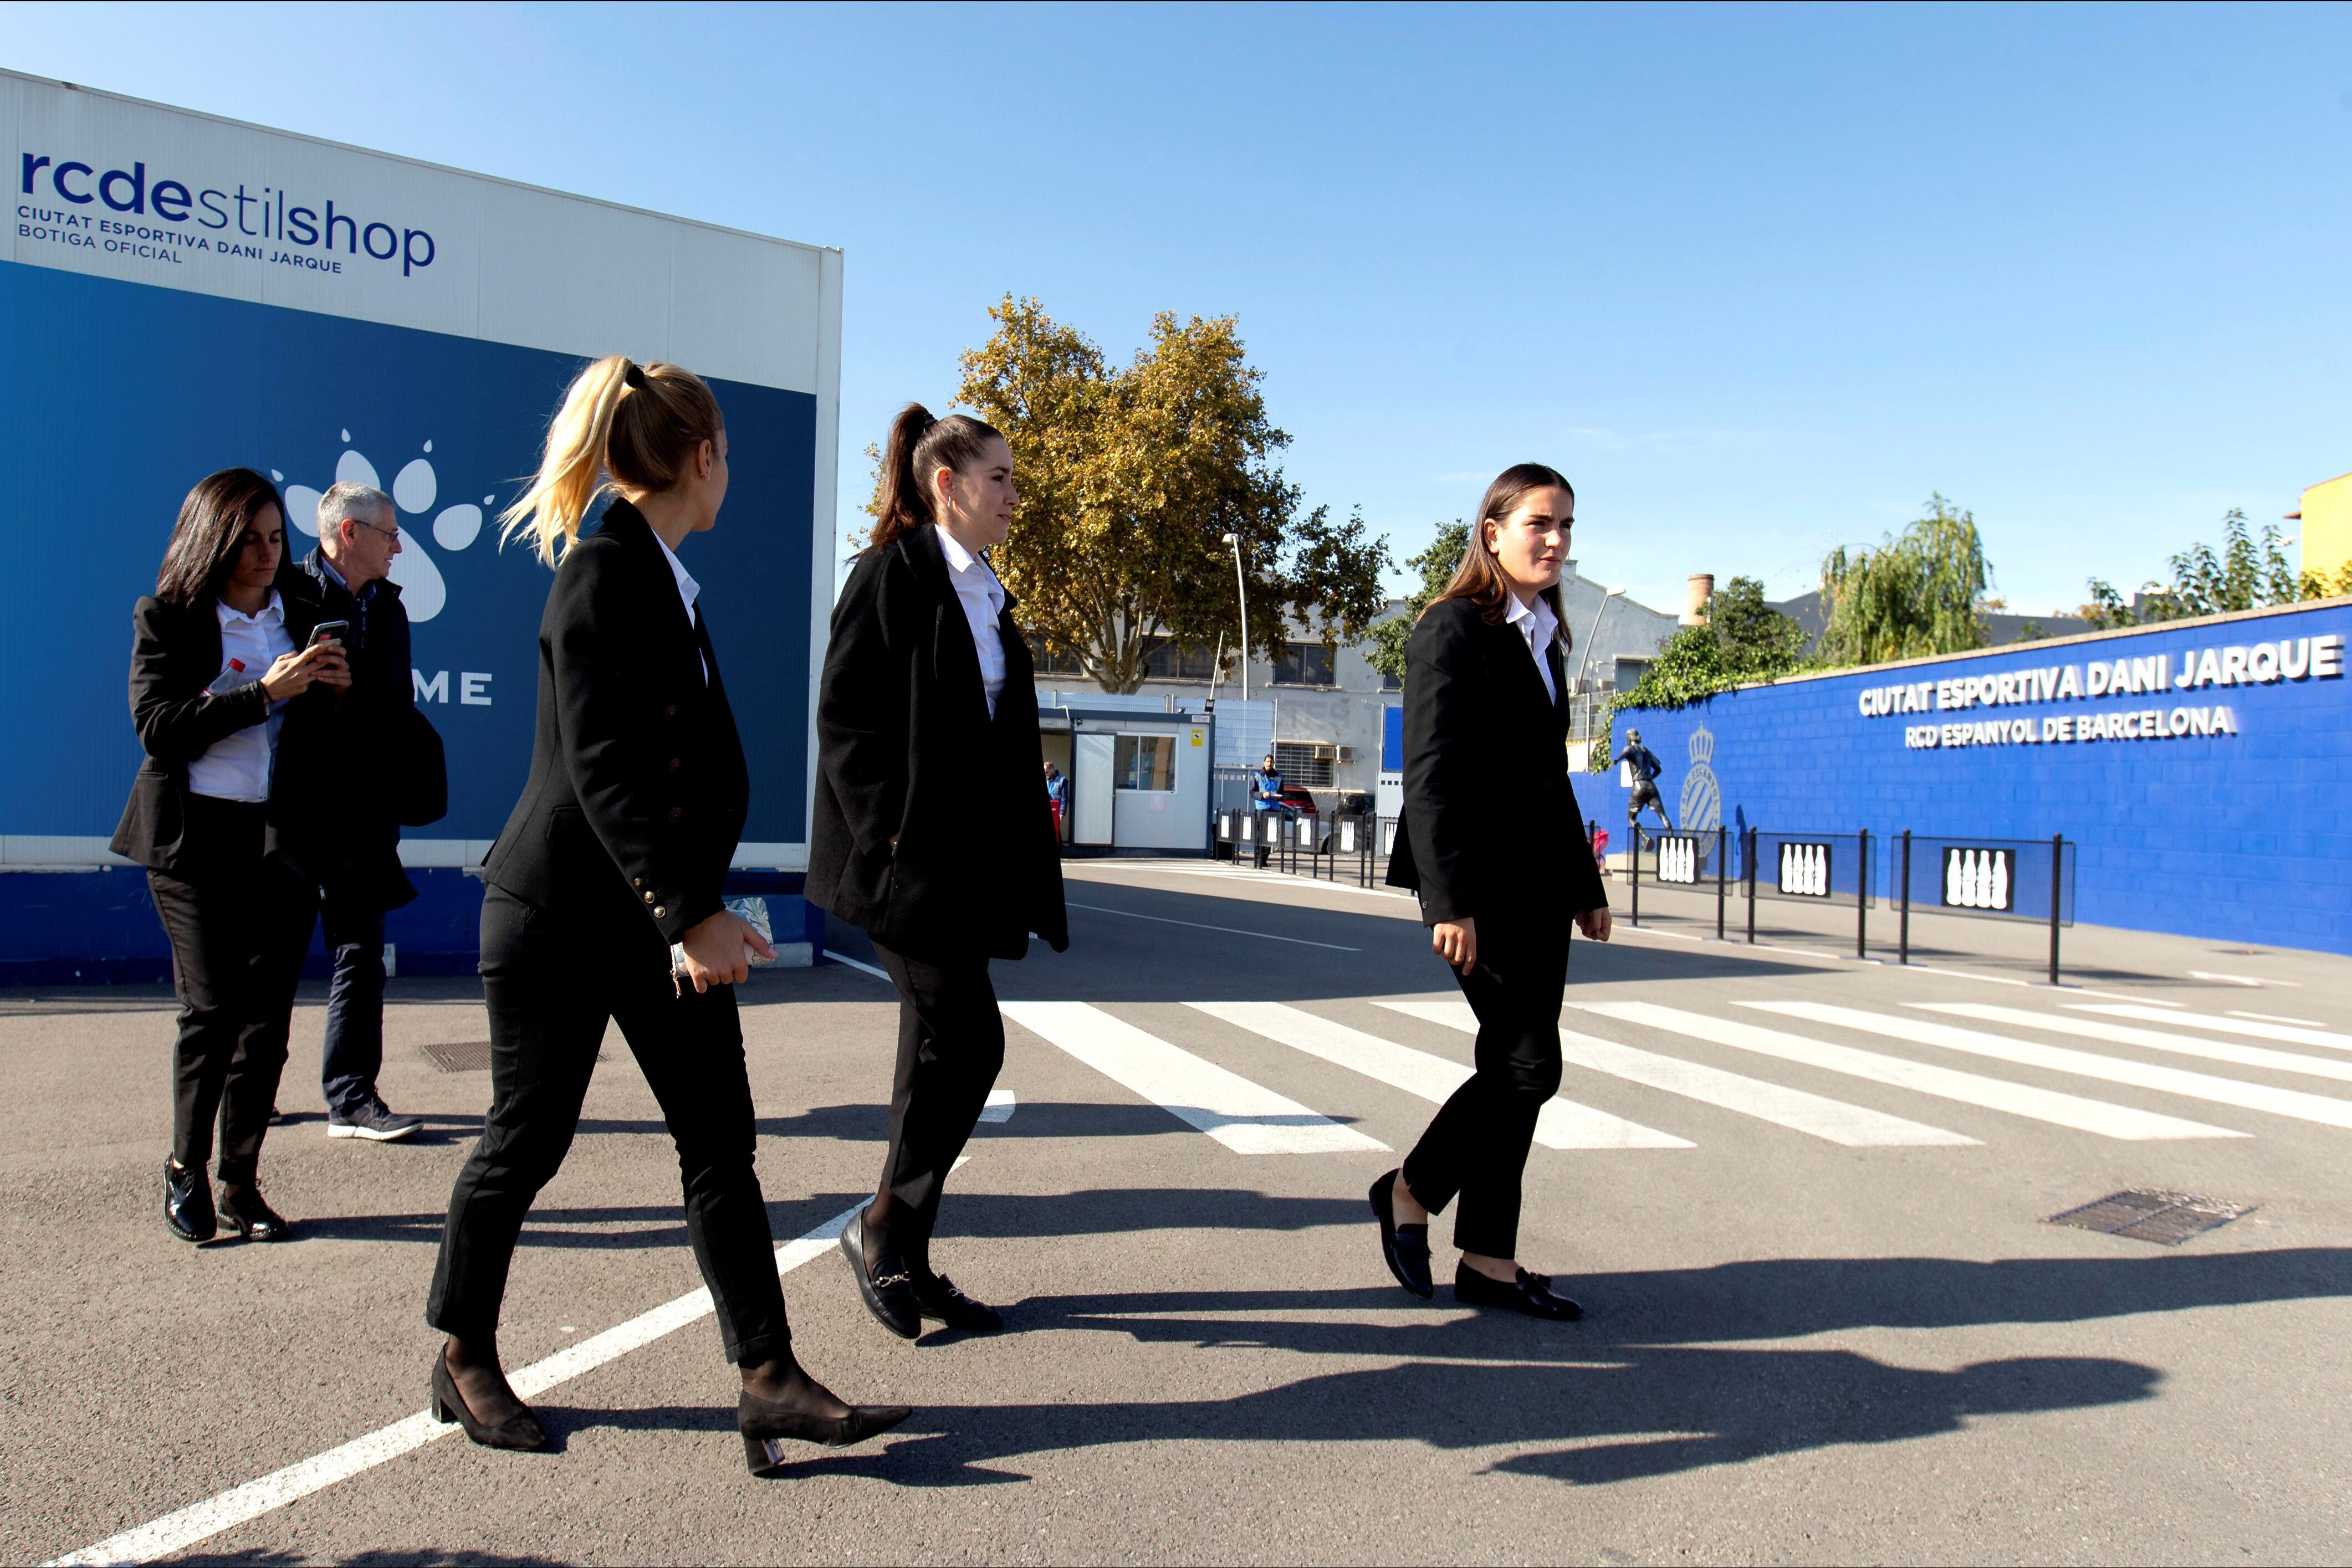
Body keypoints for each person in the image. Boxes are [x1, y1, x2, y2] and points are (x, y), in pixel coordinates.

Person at [426, 357, 906, 1470]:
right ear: (703, 457)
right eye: (727, 451)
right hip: (557, 915)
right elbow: (602, 770)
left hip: (648, 918)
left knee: (719, 1143)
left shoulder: (658, 575)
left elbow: (663, 776)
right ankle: (461, 1353)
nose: (728, 468)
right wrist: (690, 912)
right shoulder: (603, 572)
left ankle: (768, 1375)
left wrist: (691, 913)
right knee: (525, 1142)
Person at [809, 402, 1068, 1343]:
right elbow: (845, 721)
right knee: (969, 1040)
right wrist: (888, 838)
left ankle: (905, 1253)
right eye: (997, 478)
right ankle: (881, 1225)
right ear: (944, 485)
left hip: (967, 870)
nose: (1012, 495)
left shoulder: (984, 588)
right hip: (903, 871)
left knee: (936, 1049)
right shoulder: (890, 576)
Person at [1377, 462, 1613, 1320]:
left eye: (1566, 527)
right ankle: (1409, 1189)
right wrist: (1447, 901)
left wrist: (1585, 885)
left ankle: (1488, 1259)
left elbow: (1550, 778)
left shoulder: (1545, 632)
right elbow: (1430, 774)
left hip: (1540, 887)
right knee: (1527, 1062)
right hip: (1477, 887)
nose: (1556, 541)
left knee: (1513, 1072)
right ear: (1493, 532)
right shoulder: (1451, 629)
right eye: (1539, 524)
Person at [111, 468, 350, 1244]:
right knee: (211, 1010)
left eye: (276, 539)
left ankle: (239, 1181)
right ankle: (185, 1168)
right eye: (247, 539)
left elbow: (335, 725)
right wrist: (264, 696)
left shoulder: (307, 613)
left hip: (277, 840)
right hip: (192, 841)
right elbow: (158, 726)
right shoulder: (170, 618)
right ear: (212, 539)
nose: (263, 554)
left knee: (268, 1024)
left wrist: (337, 689)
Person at [283, 481, 444, 1142]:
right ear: (348, 533)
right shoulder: (285, 594)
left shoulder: (390, 608)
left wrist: (357, 690)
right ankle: (249, 1085)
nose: (399, 546)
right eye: (389, 534)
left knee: (360, 951)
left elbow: (397, 705)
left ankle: (350, 1097)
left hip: (364, 808)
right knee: (270, 955)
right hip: (290, 807)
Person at [1621, 727, 1671, 834]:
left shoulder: (1630, 749)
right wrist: (1650, 778)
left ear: (1629, 739)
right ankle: (1672, 840)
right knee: (1663, 815)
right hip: (1650, 785)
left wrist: (1617, 760)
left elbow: (1626, 753)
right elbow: (1658, 769)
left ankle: (1645, 837)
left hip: (1639, 785)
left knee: (1631, 819)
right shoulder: (1646, 751)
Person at [1249, 752, 1285, 868]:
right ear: (1264, 763)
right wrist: (1262, 795)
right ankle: (1258, 860)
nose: (1269, 764)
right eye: (1268, 762)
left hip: (1274, 809)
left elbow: (1282, 793)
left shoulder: (1279, 776)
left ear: (1274, 763)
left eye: (1271, 762)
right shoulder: (1257, 776)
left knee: (1270, 836)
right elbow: (1252, 793)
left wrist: (1278, 796)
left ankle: (1264, 860)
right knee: (1261, 835)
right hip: (1262, 809)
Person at [1042, 760, 1069, 841]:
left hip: (1056, 811)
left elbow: (1065, 797)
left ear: (1052, 769)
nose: (1046, 775)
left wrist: (1062, 812)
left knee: (1056, 830)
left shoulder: (1062, 780)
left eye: (1046, 772)